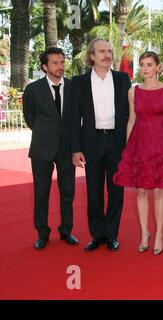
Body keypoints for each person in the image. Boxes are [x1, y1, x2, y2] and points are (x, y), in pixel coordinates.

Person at [113, 51, 163, 254]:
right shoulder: (133, 92)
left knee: (159, 191)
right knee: (141, 191)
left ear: (158, 67)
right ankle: (144, 233)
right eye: (142, 64)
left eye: (149, 64)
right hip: (139, 145)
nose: (145, 68)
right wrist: (127, 149)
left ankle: (159, 233)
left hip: (160, 145)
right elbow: (131, 121)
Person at [71, 39, 131, 252]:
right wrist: (76, 149)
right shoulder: (78, 82)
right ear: (92, 56)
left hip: (117, 142)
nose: (107, 54)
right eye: (102, 51)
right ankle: (98, 235)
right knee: (94, 192)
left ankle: (112, 235)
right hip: (92, 142)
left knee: (117, 191)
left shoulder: (123, 79)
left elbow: (132, 113)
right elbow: (73, 118)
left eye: (109, 51)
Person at [23, 47, 78, 250]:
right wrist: (45, 133)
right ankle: (42, 234)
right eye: (55, 63)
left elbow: (75, 118)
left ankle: (66, 231)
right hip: (42, 148)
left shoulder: (73, 87)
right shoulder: (33, 89)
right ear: (45, 66)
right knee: (41, 192)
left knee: (68, 192)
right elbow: (30, 118)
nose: (60, 66)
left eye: (62, 62)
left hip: (66, 149)